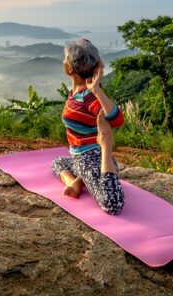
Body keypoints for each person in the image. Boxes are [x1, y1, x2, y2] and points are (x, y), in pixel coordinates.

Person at [51, 38, 126, 215]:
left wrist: (97, 90)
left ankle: (89, 176)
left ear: (69, 69)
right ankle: (76, 181)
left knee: (112, 204)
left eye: (64, 59)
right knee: (57, 162)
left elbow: (117, 121)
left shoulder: (88, 96)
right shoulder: (75, 93)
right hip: (79, 158)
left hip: (91, 158)